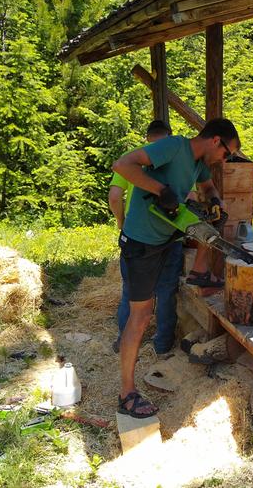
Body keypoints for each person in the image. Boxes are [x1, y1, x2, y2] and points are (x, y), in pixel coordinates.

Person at [112, 117, 240, 418]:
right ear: (215, 141)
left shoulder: (199, 164)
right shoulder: (173, 146)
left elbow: (207, 186)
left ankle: (199, 272)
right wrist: (160, 190)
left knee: (210, 226)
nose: (226, 160)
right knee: (140, 315)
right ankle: (126, 394)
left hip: (166, 240)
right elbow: (123, 165)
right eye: (227, 153)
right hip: (141, 244)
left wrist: (215, 201)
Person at [108, 120, 181, 357]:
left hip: (137, 237)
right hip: (170, 238)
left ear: (147, 136)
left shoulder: (133, 157)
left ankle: (125, 341)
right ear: (169, 136)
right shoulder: (176, 160)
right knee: (166, 291)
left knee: (131, 291)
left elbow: (114, 197)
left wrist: (121, 222)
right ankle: (162, 345)